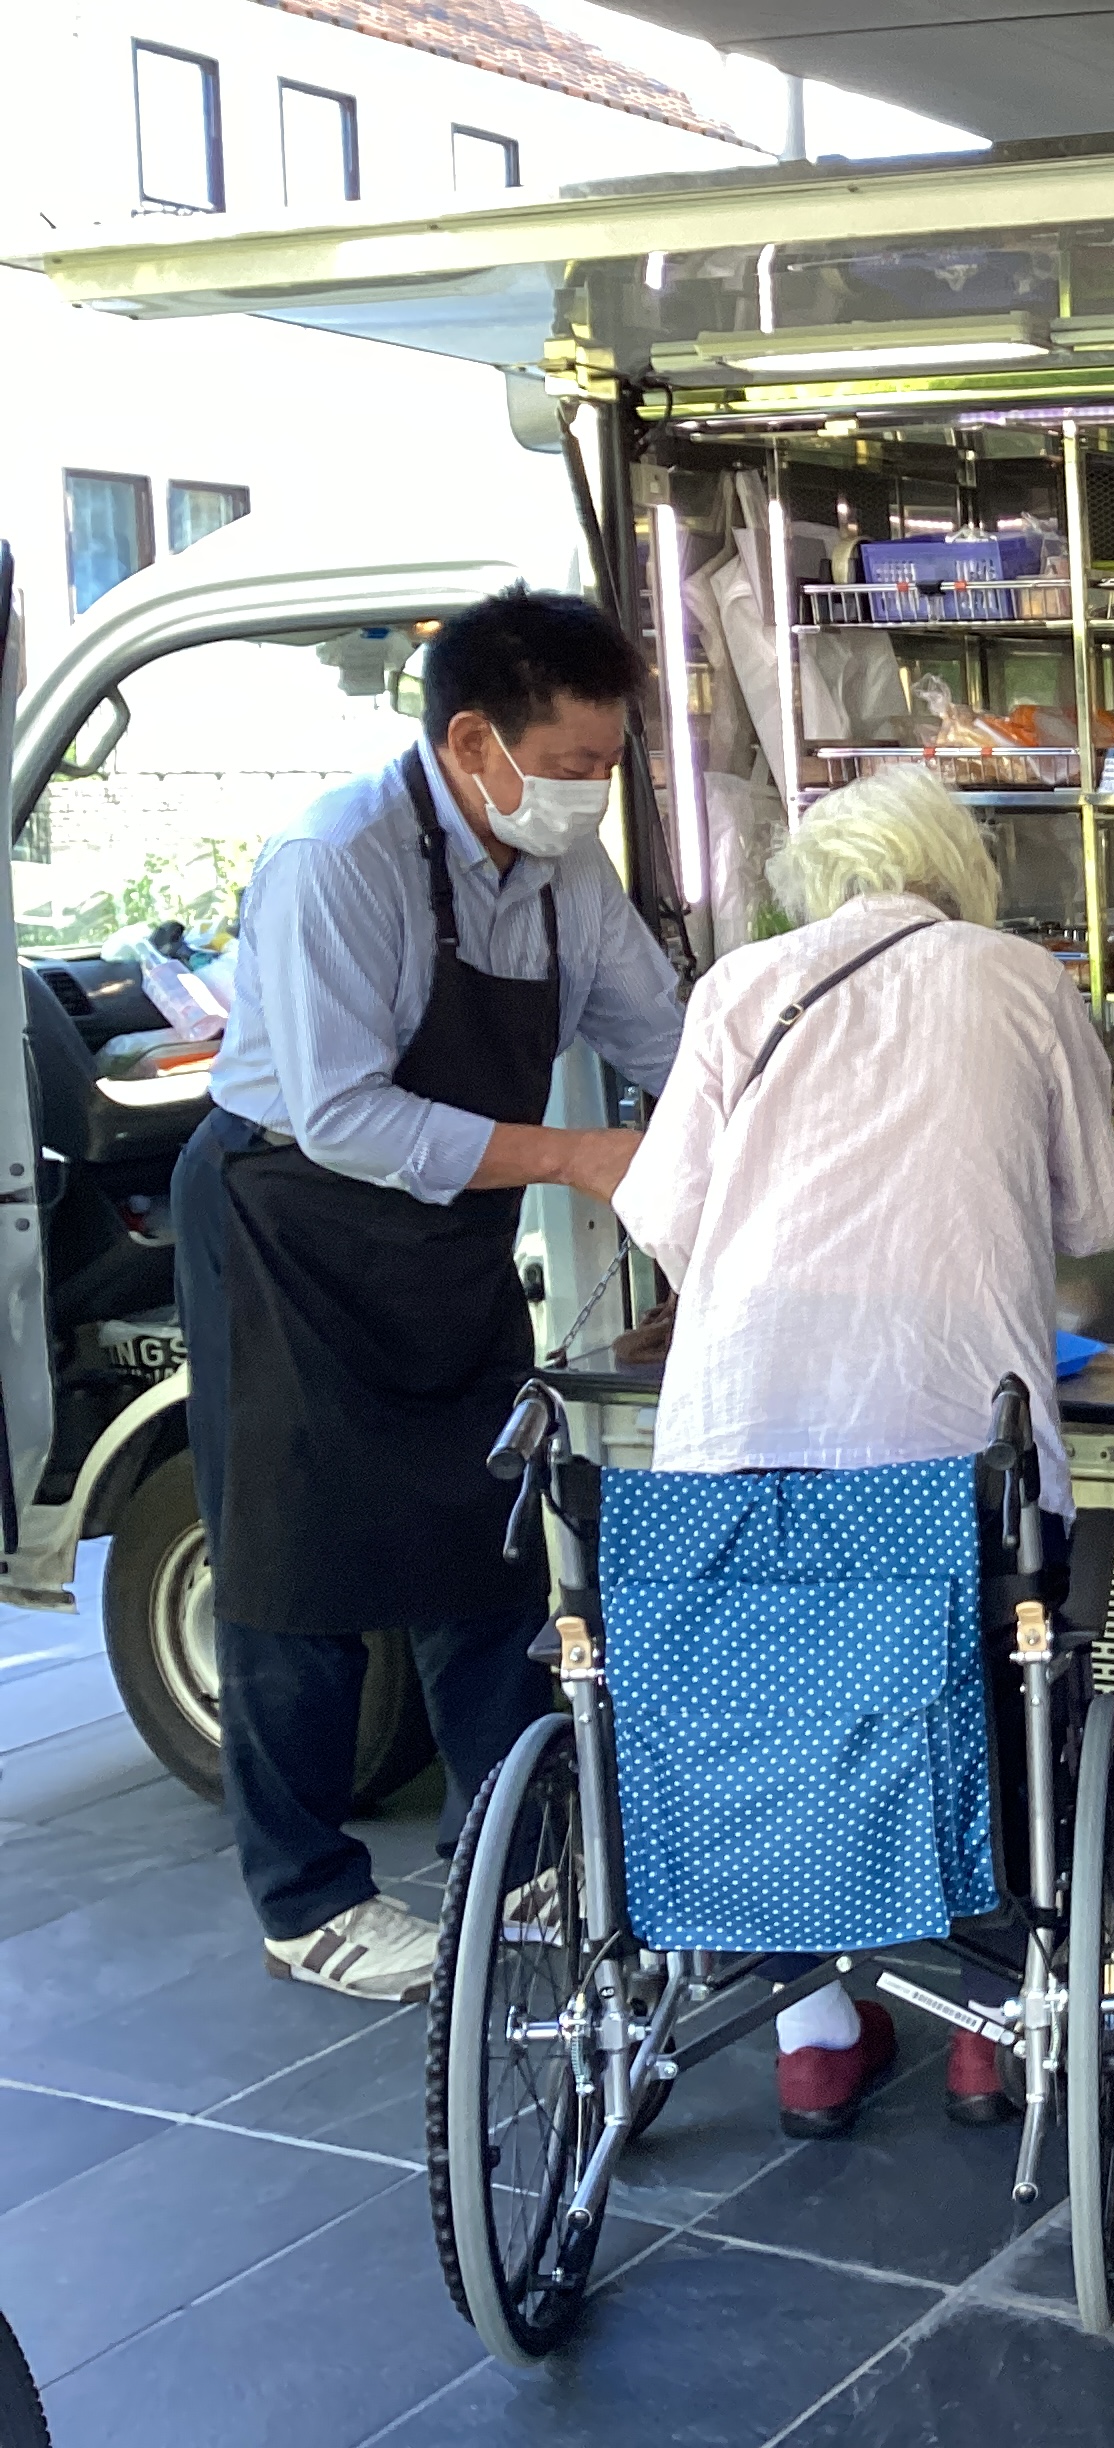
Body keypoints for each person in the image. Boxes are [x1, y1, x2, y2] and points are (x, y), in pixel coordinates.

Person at [609, 767, 1114, 2136]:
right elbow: (1093, 1213)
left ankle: (816, 2035)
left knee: (775, 1713)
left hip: (744, 1432)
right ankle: (985, 2028)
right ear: (951, 866)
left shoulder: (741, 988)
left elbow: (661, 1213)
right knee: (999, 1684)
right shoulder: (1018, 979)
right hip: (953, 1443)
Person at [175, 585, 680, 2003]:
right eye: (574, 765)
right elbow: (342, 1114)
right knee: (295, 1571)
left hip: (448, 1234)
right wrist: (579, 1154)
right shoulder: (334, 862)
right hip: (292, 1221)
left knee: (488, 1531)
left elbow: (663, 1030)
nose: (592, 794)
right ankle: (308, 1899)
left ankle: (512, 1854)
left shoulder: (558, 861)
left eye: (606, 765)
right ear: (474, 739)